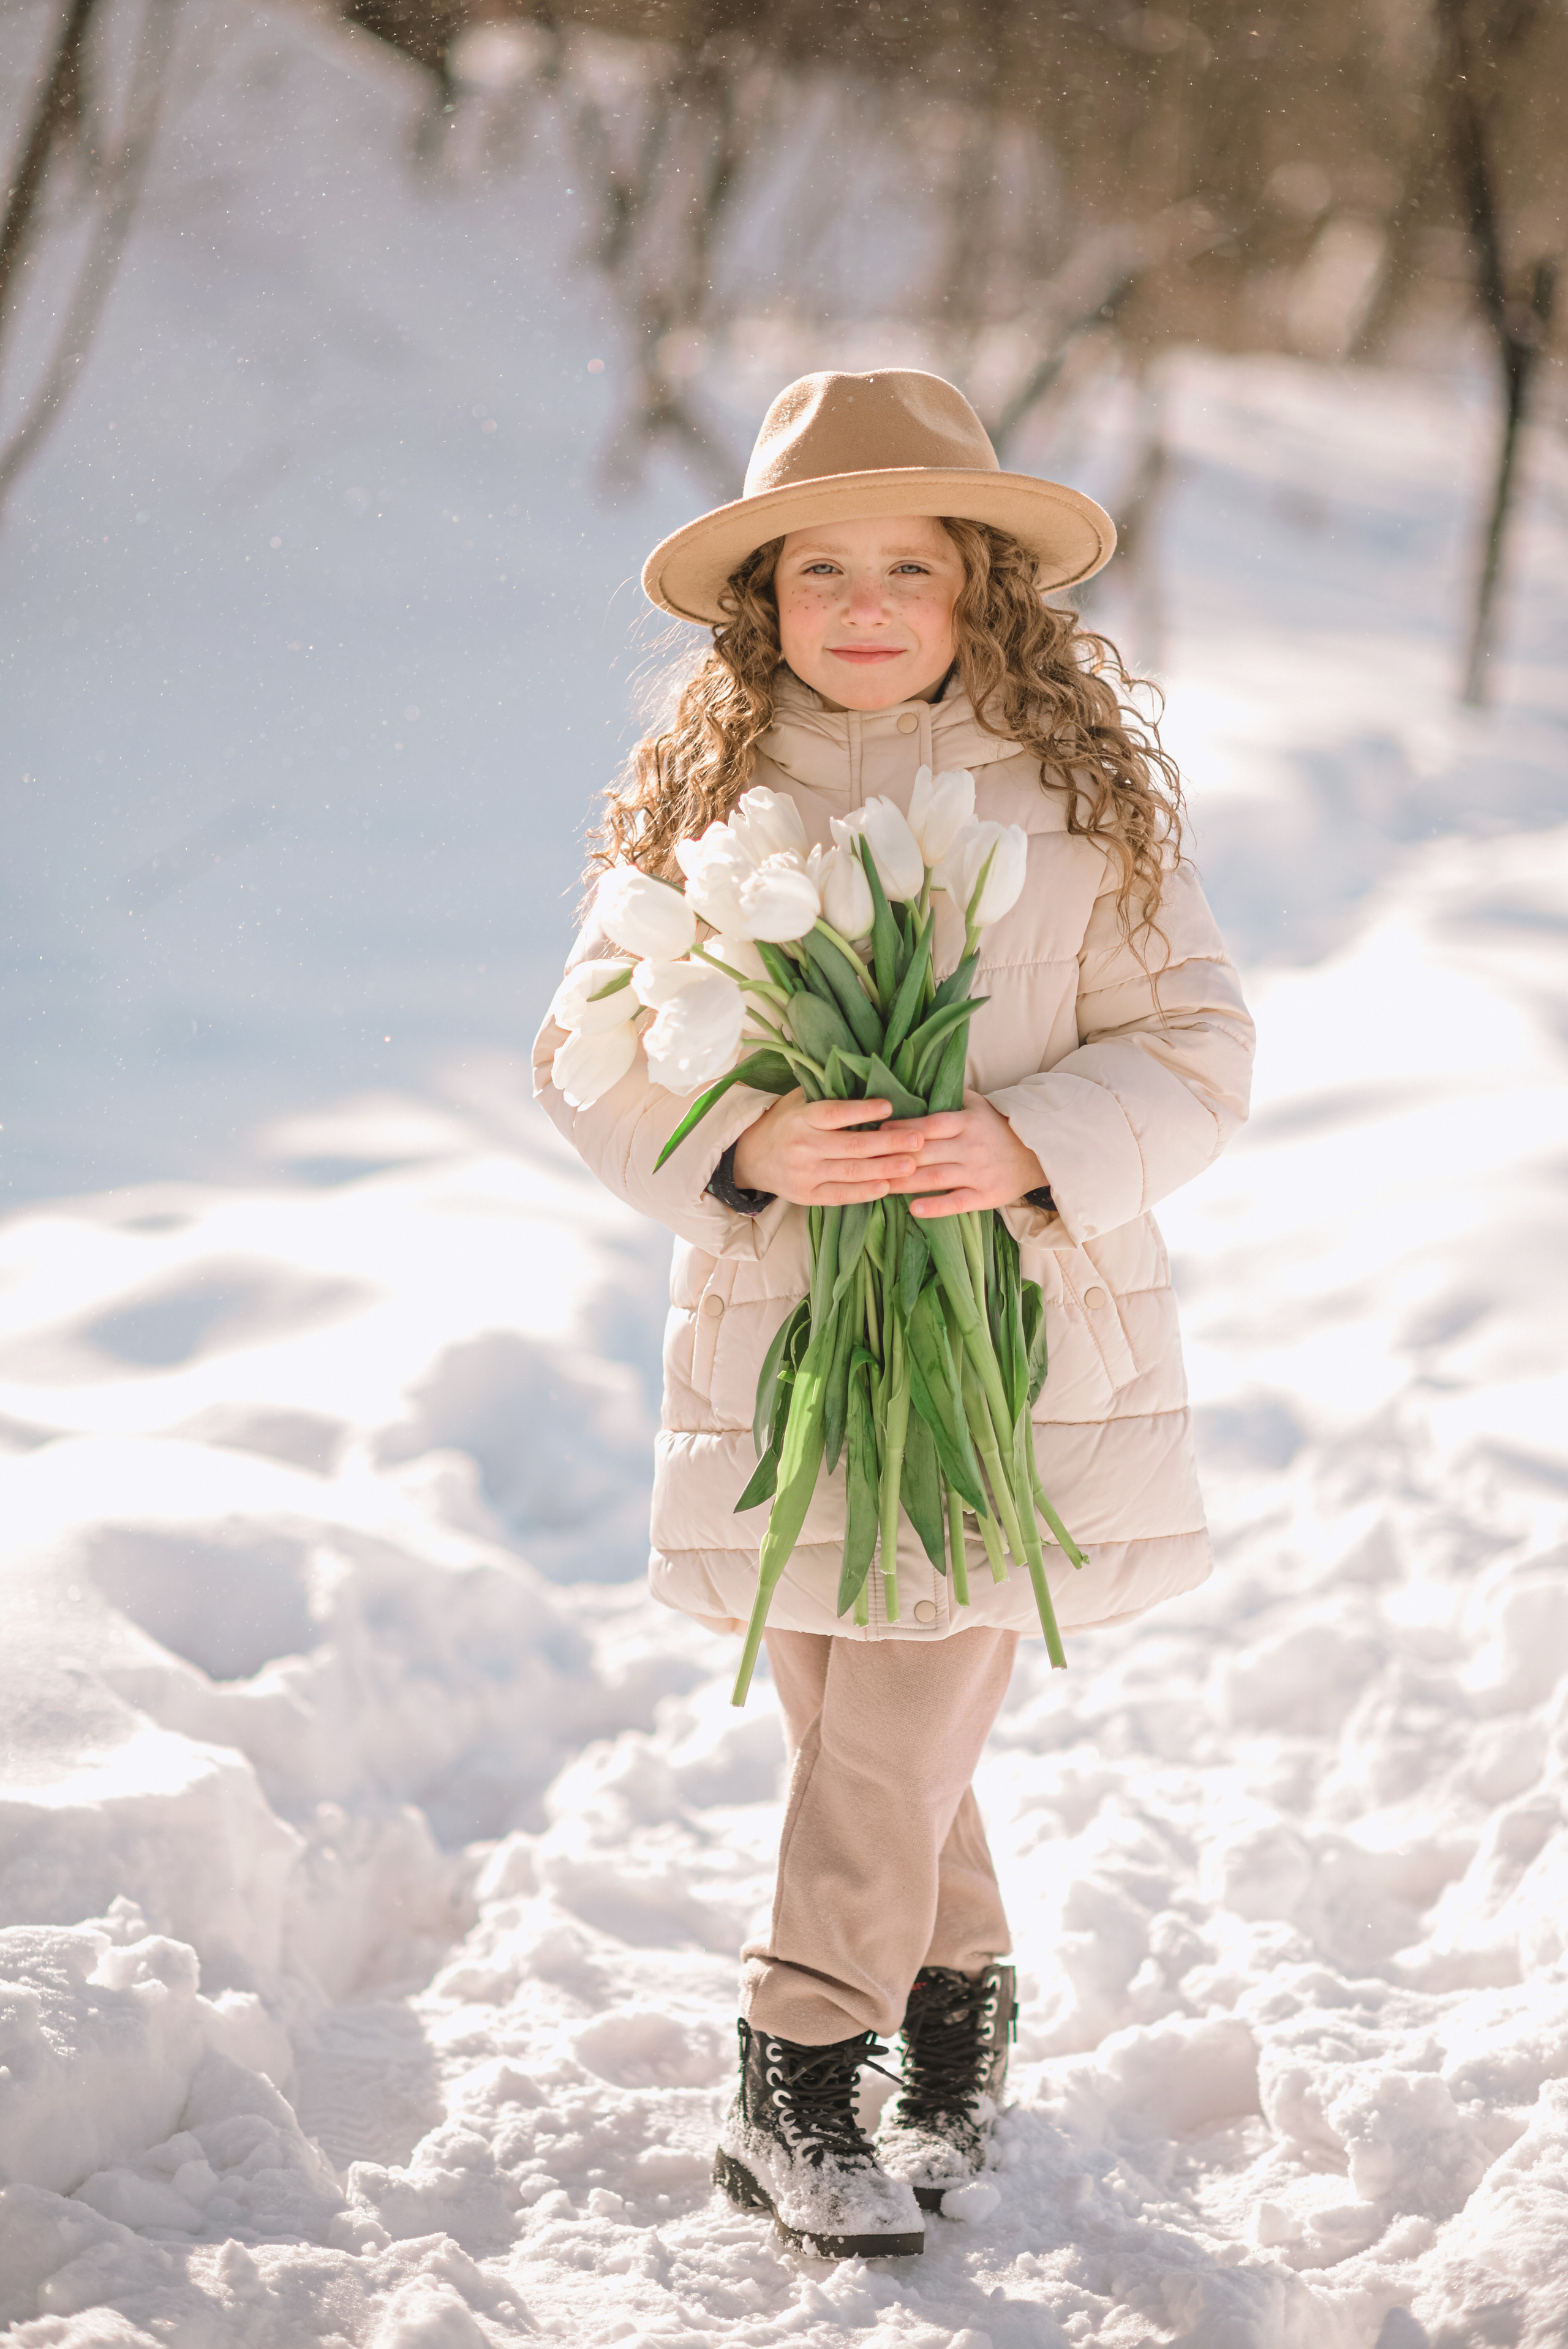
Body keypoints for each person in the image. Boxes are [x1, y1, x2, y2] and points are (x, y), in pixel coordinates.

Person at [534, 369, 1254, 2260]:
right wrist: (749, 1133)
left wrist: (1029, 1135)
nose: (863, 604)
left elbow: (1199, 1048)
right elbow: (588, 1055)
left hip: (1008, 1331)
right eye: (817, 570)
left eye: (909, 568)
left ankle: (792, 2065)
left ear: (978, 592)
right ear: (759, 602)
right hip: (790, 1337)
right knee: (862, 1714)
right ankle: (959, 2002)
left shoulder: (1078, 810)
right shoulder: (709, 804)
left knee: (907, 1687)